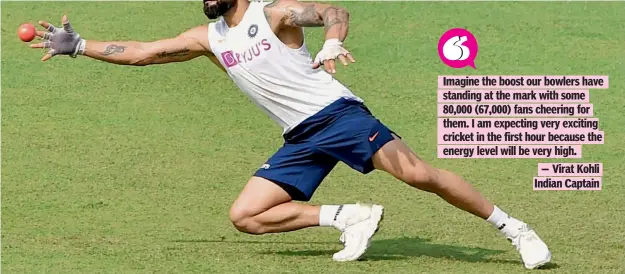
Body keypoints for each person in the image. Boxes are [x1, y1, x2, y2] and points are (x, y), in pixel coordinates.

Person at [30, 0, 551, 268]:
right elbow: (143, 52)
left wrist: (330, 43)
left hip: (338, 116)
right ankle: (350, 216)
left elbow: (333, 10)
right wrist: (80, 46)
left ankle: (514, 228)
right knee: (246, 217)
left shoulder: (273, 13)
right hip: (300, 136)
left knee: (419, 174)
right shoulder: (208, 38)